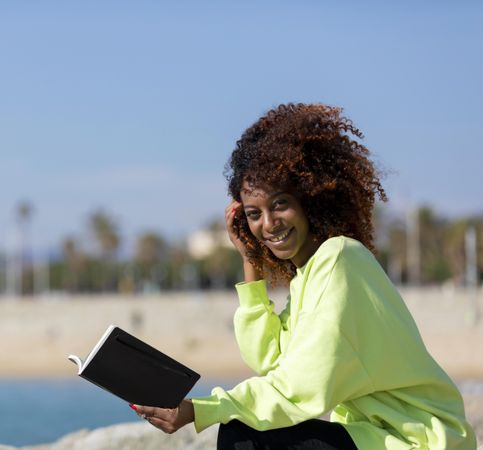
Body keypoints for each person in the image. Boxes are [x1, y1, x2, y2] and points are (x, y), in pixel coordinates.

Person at [132, 103, 476, 449]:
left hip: (420, 442)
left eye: (280, 204)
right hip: (377, 438)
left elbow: (301, 386)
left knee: (242, 437)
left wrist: (202, 409)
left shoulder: (340, 259)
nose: (268, 224)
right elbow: (269, 358)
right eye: (254, 214)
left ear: (309, 197)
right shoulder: (308, 277)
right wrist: (251, 259)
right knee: (243, 431)